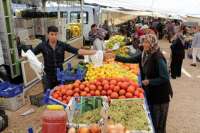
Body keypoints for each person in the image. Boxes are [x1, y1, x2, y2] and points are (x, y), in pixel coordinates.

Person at [109, 34, 173, 133]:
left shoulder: (158, 57)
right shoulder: (144, 54)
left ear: (153, 43)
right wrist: (115, 57)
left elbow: (165, 77)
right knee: (153, 120)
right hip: (152, 92)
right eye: (144, 42)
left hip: (161, 95)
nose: (144, 44)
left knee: (159, 122)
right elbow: (131, 59)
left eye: (147, 42)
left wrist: (149, 81)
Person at [33, 26, 96, 91]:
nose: (54, 36)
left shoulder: (62, 45)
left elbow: (77, 51)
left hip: (60, 74)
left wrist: (92, 52)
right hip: (48, 75)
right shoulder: (42, 45)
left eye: (55, 34)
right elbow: (31, 54)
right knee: (48, 93)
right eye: (52, 34)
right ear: (48, 34)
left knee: (59, 93)